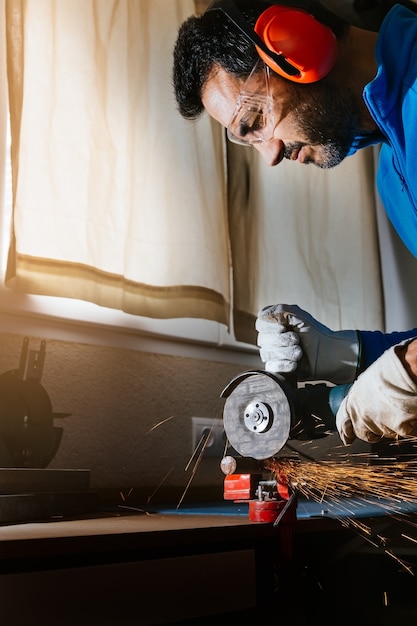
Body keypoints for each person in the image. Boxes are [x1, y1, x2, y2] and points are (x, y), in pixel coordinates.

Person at [172, 0, 417, 445]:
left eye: (256, 120)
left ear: (297, 44)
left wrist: (371, 392)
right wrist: (349, 356)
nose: (270, 154)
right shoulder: (393, 175)